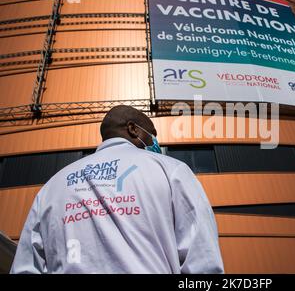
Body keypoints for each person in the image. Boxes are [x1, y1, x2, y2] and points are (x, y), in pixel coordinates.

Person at [10, 105, 224, 274]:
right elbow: (202, 259)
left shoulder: (52, 187)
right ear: (133, 129)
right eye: (152, 134)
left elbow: (26, 267)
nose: (155, 141)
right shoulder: (171, 171)